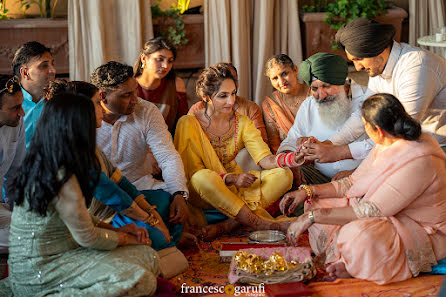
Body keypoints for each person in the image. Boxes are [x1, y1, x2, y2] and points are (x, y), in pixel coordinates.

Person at [281, 93, 446, 285]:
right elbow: (350, 183)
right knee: (317, 201)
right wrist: (308, 192)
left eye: (365, 127)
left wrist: (311, 217)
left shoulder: (419, 159)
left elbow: (371, 210)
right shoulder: (387, 143)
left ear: (378, 130)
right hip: (384, 212)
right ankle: (347, 258)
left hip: (418, 228)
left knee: (361, 236)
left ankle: (352, 261)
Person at [4, 93, 160, 296]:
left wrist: (114, 229)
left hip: (59, 254)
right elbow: (87, 237)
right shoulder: (60, 173)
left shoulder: (48, 158)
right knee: (143, 277)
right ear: (78, 128)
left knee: (147, 256)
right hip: (42, 271)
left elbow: (79, 218)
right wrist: (124, 237)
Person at [45, 79, 188, 251]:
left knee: (167, 200)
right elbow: (114, 196)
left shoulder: (89, 146)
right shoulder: (74, 153)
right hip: (101, 218)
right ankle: (166, 244)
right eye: (98, 103)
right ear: (82, 111)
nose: (101, 109)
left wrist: (153, 215)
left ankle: (167, 243)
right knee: (151, 239)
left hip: (117, 208)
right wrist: (152, 221)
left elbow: (122, 183)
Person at [174, 63, 293, 240]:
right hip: (203, 191)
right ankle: (261, 223)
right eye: (223, 96)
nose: (231, 101)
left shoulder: (242, 122)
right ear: (206, 97)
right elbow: (192, 172)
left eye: (233, 94)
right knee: (201, 177)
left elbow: (265, 159)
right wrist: (230, 179)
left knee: (285, 175)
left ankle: (226, 226)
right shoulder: (189, 122)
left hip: (237, 188)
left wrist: (292, 158)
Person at [91, 61, 190, 226]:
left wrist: (179, 193)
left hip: (140, 188)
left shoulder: (147, 111)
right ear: (103, 96)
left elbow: (167, 156)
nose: (135, 100)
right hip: (101, 194)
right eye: (126, 95)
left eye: (135, 91)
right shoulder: (84, 115)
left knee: (168, 201)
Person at [330, 18, 446, 153]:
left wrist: (340, 153)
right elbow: (363, 114)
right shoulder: (378, 66)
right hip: (411, 147)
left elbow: (400, 131)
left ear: (379, 48)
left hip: (438, 149)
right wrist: (331, 143)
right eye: (353, 61)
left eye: (359, 59)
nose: (358, 67)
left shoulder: (417, 65)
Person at [278, 53, 367, 186]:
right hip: (321, 180)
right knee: (283, 176)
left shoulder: (369, 99)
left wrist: (355, 173)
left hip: (364, 177)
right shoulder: (308, 105)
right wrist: (296, 153)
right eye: (314, 88)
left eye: (326, 86)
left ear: (342, 82)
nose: (321, 95)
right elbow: (289, 142)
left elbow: (385, 152)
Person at [189, 62, 268, 172]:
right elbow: (192, 146)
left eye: (234, 80)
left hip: (241, 165)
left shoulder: (250, 108)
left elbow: (261, 143)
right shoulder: (197, 110)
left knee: (282, 174)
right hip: (209, 166)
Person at [134, 37, 188, 135]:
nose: (165, 66)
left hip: (166, 144)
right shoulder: (129, 85)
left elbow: (182, 123)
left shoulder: (176, 84)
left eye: (170, 61)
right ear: (144, 58)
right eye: (159, 59)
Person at [12, 41, 56, 147]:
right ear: (25, 73)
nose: (53, 70)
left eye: (52, 64)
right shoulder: (8, 106)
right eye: (44, 66)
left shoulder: (59, 102)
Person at [262, 54, 308, 153]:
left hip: (323, 156)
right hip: (291, 162)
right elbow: (275, 146)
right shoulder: (271, 105)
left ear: (295, 70)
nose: (281, 81)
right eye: (275, 78)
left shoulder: (314, 92)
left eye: (284, 74)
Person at [0, 77, 25, 254]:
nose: (22, 113)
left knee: (33, 230)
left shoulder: (16, 123)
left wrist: (18, 214)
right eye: (15, 108)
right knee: (21, 237)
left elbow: (16, 172)